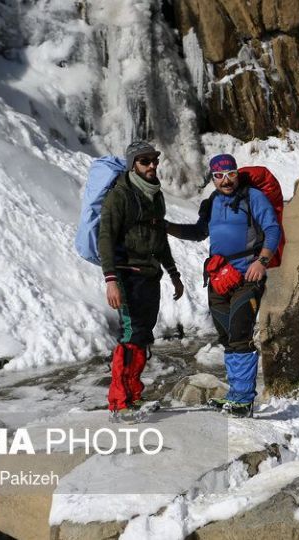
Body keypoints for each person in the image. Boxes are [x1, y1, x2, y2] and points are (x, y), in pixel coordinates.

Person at [166, 154, 280, 418]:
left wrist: (262, 262)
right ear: (213, 177)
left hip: (247, 275)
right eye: (219, 175)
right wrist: (167, 226)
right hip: (218, 278)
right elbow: (198, 232)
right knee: (227, 337)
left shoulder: (253, 198)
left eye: (230, 173)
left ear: (237, 173)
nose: (226, 180)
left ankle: (243, 401)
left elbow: (273, 230)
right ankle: (235, 396)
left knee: (240, 334)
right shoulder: (213, 202)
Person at [99, 140, 184, 422]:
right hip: (125, 275)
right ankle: (118, 403)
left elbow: (159, 239)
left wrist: (174, 274)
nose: (152, 166)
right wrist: (111, 280)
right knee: (129, 336)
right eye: (145, 161)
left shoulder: (154, 195)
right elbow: (106, 237)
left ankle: (134, 395)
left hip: (150, 274)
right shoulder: (120, 195)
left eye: (154, 160)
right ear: (133, 164)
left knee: (142, 337)